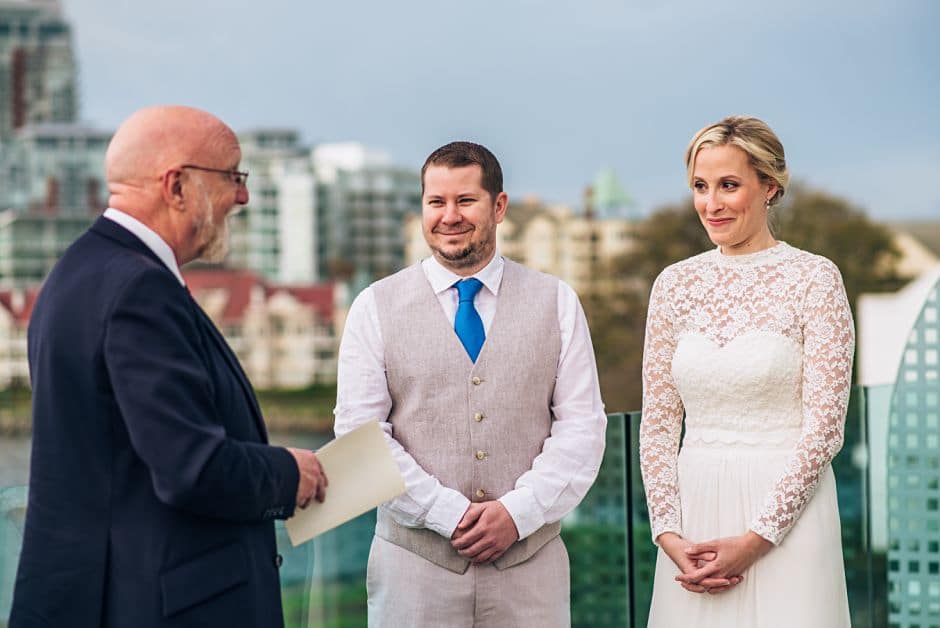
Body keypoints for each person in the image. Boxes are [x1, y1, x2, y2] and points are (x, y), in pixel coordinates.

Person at [10, 105, 328, 628]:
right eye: (233, 176)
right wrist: (288, 473)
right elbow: (190, 467)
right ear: (176, 185)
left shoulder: (77, 272)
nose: (243, 196)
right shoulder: (139, 289)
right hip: (161, 606)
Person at [334, 141, 607, 627]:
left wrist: (517, 514)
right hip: (413, 574)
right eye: (436, 202)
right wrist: (448, 514)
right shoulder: (373, 307)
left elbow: (582, 429)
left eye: (465, 201)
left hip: (531, 571)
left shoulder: (558, 302)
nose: (449, 216)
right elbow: (359, 438)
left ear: (498, 207)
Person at [639, 115, 854, 627]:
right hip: (692, 523)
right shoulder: (674, 284)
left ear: (769, 187)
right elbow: (659, 425)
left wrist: (758, 538)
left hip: (788, 522)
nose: (711, 204)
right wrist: (667, 533)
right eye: (700, 186)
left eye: (728, 185)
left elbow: (824, 430)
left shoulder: (815, 279)